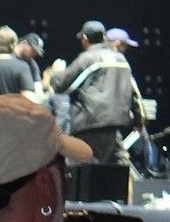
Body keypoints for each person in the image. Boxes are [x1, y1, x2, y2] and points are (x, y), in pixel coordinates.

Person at [46, 19, 138, 164]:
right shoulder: (122, 60)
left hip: (89, 123)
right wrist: (138, 120)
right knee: (119, 164)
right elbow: (134, 93)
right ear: (104, 37)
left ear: (84, 38)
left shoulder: (88, 58)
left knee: (82, 168)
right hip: (114, 123)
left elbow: (61, 86)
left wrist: (55, 72)